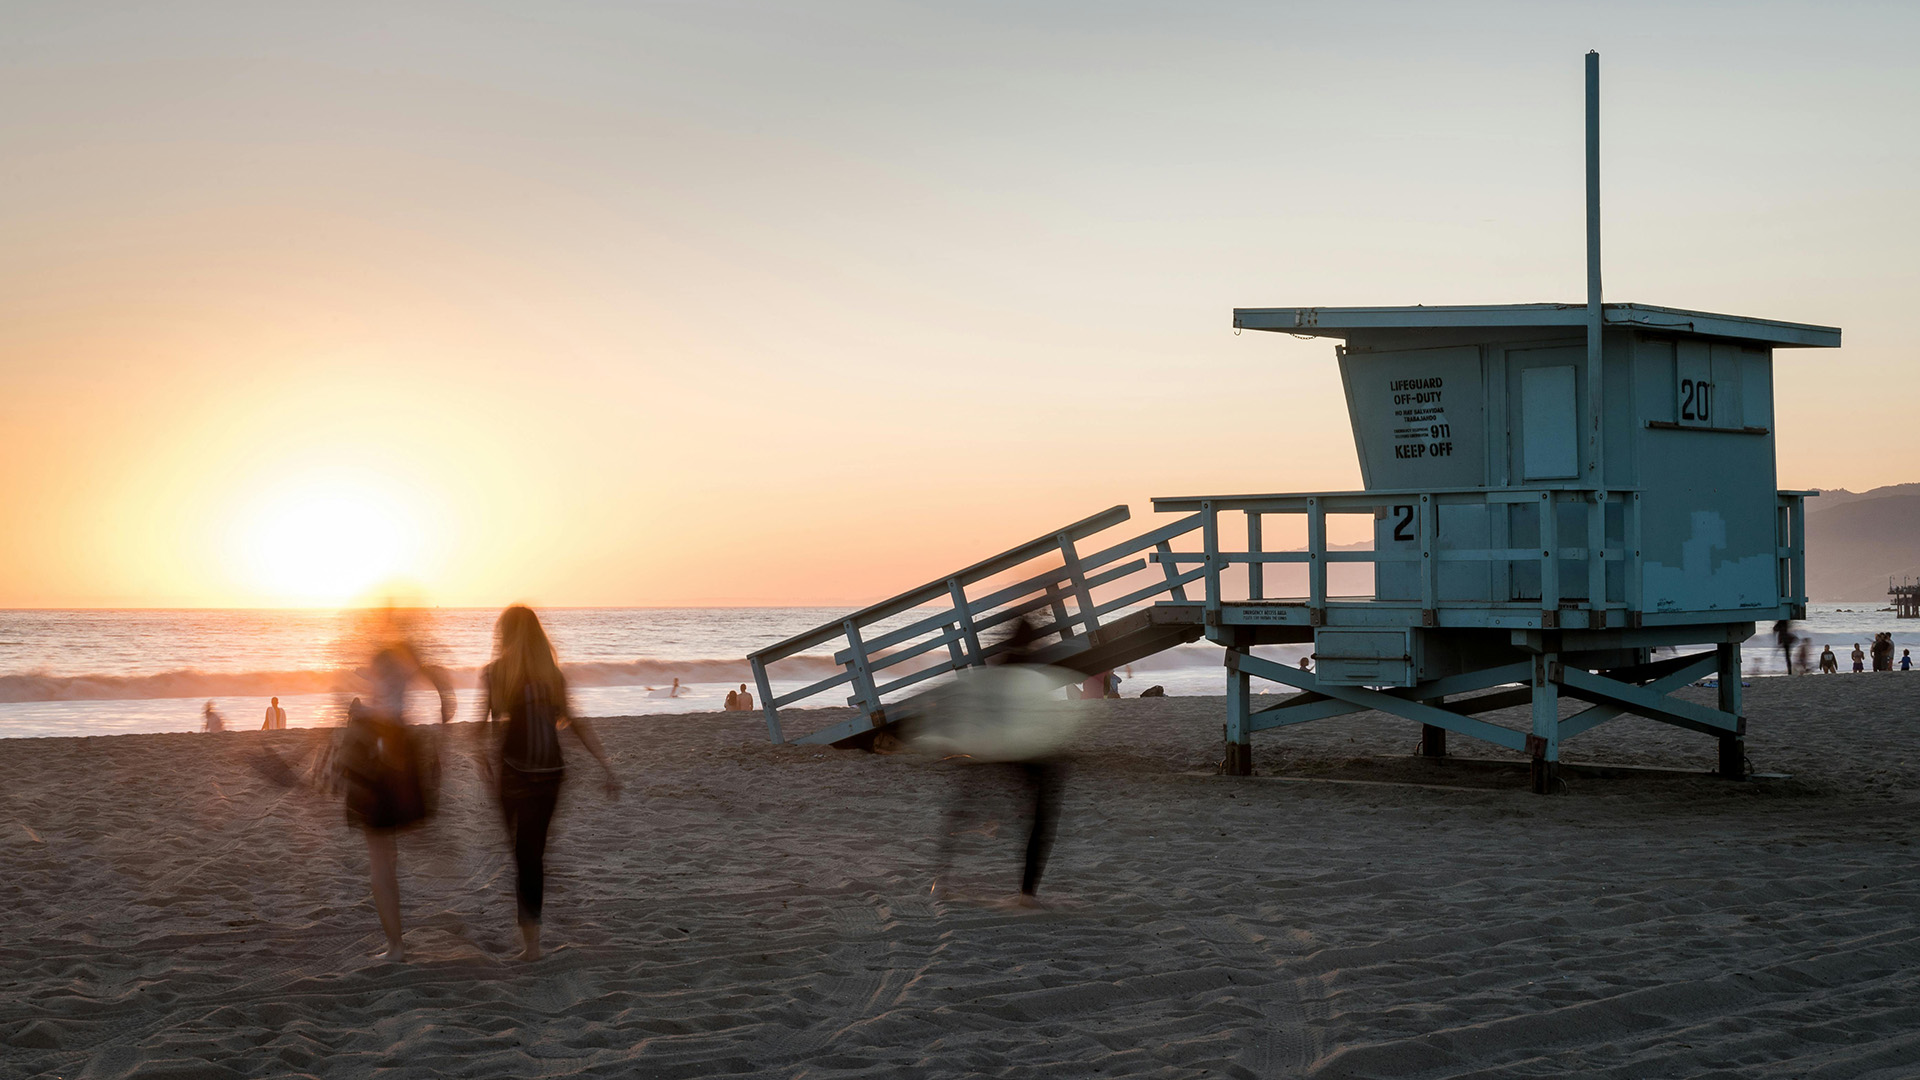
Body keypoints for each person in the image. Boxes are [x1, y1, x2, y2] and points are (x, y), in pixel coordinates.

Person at [478, 605, 621, 961]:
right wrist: (606, 765)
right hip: (550, 774)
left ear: (505, 634)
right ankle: (533, 945)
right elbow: (574, 722)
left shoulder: (495, 673)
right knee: (531, 856)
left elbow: (480, 730)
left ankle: (531, 947)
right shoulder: (552, 676)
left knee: (521, 856)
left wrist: (481, 759)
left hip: (513, 772)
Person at [917, 618, 1073, 908]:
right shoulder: (1031, 669)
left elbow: (976, 705)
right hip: (1023, 750)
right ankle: (1027, 893)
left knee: (963, 808)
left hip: (989, 747)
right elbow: (1041, 715)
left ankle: (941, 878)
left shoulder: (999, 667)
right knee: (1040, 817)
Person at [336, 628, 456, 962]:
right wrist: (446, 703)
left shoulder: (388, 662)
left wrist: (362, 712)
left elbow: (388, 711)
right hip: (401, 758)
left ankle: (396, 947)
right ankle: (396, 943)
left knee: (380, 860)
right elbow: (426, 681)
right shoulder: (404, 663)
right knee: (388, 855)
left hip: (380, 763)